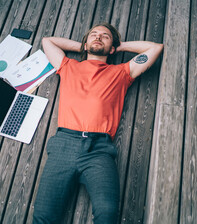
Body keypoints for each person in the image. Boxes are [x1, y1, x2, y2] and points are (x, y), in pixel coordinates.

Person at [33, 23, 163, 224]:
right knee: (43, 216)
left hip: (99, 150)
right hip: (64, 144)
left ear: (112, 48)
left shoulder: (122, 72)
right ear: (86, 43)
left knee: (108, 213)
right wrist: (83, 45)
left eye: (105, 36)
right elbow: (47, 41)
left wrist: (120, 46)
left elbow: (155, 48)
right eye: (94, 34)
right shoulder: (68, 66)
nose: (98, 37)